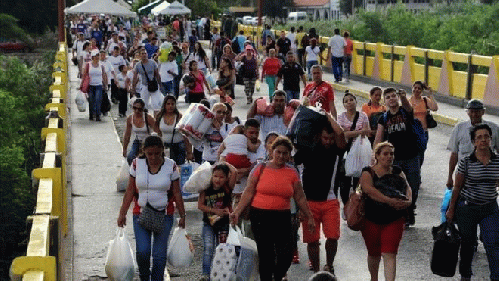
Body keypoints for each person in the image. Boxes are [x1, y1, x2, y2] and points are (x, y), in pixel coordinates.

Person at [230, 136, 315, 281]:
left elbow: (300, 196)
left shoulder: (292, 172)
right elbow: (248, 191)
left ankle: (277, 276)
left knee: (286, 255)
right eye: (278, 152)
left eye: (285, 153)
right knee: (266, 255)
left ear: (289, 155)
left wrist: (310, 216)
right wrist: (237, 211)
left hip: (282, 216)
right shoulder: (260, 168)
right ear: (272, 151)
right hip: (260, 216)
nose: (281, 156)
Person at [117, 135, 186, 281]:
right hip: (141, 214)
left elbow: (177, 192)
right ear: (144, 151)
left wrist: (182, 215)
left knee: (159, 255)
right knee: (143, 251)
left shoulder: (171, 165)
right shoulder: (136, 164)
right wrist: (122, 213)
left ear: (162, 151)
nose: (153, 157)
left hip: (164, 215)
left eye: (157, 153)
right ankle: (144, 276)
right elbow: (130, 190)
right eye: (150, 154)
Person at [294, 114, 347, 275]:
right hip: (308, 202)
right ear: (319, 136)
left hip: (330, 200)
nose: (328, 141)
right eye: (325, 138)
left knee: (333, 237)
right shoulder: (307, 148)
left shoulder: (336, 151)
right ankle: (317, 272)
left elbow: (341, 134)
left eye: (331, 138)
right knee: (312, 240)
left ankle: (329, 266)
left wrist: (328, 116)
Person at [446, 124, 499, 281]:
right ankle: (465, 275)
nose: (483, 140)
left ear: (491, 139)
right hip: (467, 209)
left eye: (486, 137)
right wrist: (451, 209)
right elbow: (457, 187)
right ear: (474, 142)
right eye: (479, 137)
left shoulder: (497, 161)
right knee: (468, 245)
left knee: (493, 243)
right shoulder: (467, 161)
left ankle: (496, 276)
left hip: (490, 208)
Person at [359, 141, 412, 281]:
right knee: (374, 253)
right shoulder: (368, 172)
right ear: (377, 155)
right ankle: (374, 278)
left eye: (391, 154)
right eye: (385, 154)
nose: (389, 157)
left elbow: (407, 188)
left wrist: (409, 201)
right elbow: (369, 190)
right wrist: (389, 201)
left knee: (390, 253)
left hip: (394, 219)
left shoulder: (397, 171)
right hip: (372, 219)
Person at [374, 88, 420, 227]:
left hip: (411, 156)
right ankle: (403, 213)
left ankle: (411, 208)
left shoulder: (405, 112)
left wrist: (404, 97)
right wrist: (375, 156)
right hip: (394, 159)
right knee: (398, 187)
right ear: (385, 101)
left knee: (414, 185)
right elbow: (379, 138)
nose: (391, 99)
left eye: (393, 96)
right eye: (388, 97)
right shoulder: (384, 118)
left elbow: (408, 107)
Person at [447, 99, 499, 189]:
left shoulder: (494, 129)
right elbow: (454, 154)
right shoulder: (459, 128)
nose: (474, 114)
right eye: (472, 111)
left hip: (486, 176)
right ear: (467, 112)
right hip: (463, 175)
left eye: (477, 112)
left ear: (483, 112)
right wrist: (449, 177)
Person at [198, 163, 238, 281]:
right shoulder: (206, 188)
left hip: (224, 225)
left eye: (221, 177)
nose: (218, 179)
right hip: (208, 224)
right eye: (215, 176)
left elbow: (234, 172)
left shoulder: (227, 188)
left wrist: (223, 161)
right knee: (208, 248)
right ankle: (205, 274)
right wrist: (215, 211)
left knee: (222, 249)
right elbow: (200, 205)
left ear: (226, 178)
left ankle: (220, 274)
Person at [337, 91, 370, 205]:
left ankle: (356, 206)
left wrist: (352, 132)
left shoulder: (363, 115)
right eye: (346, 101)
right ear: (344, 105)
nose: (349, 102)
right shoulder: (341, 117)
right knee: (344, 181)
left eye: (351, 100)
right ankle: (346, 204)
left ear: (356, 102)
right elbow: (343, 134)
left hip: (360, 152)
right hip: (346, 151)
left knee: (358, 181)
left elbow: (366, 132)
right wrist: (359, 131)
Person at [155, 96, 193, 165]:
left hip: (179, 146)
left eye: (172, 104)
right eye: (168, 104)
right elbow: (158, 132)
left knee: (179, 167)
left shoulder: (179, 116)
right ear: (164, 105)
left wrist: (189, 152)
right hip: (165, 147)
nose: (170, 106)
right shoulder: (159, 116)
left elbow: (186, 135)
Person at [408, 81, 438, 166]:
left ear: (421, 90)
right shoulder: (408, 101)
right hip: (412, 132)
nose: (417, 90)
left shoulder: (424, 100)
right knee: (412, 153)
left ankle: (418, 171)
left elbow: (435, 108)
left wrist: (430, 94)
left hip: (423, 132)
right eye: (415, 88)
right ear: (412, 88)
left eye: (419, 88)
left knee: (421, 153)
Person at [123, 99, 157, 165]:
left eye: (139, 109)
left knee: (147, 158)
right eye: (135, 108)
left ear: (143, 109)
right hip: (138, 140)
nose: (137, 111)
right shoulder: (130, 119)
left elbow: (157, 131)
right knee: (130, 157)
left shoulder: (148, 118)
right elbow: (127, 134)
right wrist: (124, 149)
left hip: (148, 141)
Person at [132, 48, 163, 113]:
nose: (144, 55)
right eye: (142, 54)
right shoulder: (138, 65)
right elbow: (135, 77)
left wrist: (160, 85)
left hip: (154, 85)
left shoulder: (152, 63)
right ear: (140, 55)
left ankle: (156, 119)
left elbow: (157, 74)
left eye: (145, 53)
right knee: (143, 104)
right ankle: (145, 118)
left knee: (155, 104)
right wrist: (133, 88)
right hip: (144, 86)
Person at [81, 49, 108, 121]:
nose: (96, 57)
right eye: (95, 56)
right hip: (91, 85)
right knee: (91, 100)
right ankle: (91, 114)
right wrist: (81, 84)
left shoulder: (101, 65)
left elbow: (104, 75)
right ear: (92, 57)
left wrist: (106, 84)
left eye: (97, 56)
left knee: (98, 100)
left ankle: (98, 115)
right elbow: (84, 75)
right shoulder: (88, 65)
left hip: (99, 85)